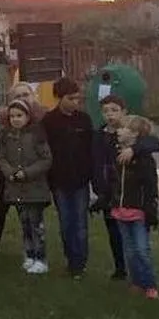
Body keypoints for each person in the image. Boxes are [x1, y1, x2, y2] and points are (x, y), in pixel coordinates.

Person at [94, 115, 159, 299]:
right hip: (120, 210)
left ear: (134, 134)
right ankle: (137, 281)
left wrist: (151, 210)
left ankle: (150, 284)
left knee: (142, 250)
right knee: (130, 251)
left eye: (123, 128)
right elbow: (113, 182)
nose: (118, 131)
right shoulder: (117, 152)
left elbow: (150, 187)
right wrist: (105, 199)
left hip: (138, 211)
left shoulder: (144, 159)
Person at [41, 77, 94, 279]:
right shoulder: (49, 121)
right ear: (59, 97)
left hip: (80, 180)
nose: (75, 102)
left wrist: (90, 174)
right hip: (59, 181)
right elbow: (45, 151)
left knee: (80, 222)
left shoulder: (84, 120)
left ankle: (80, 263)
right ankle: (70, 258)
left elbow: (90, 149)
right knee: (65, 222)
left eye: (77, 98)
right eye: (70, 98)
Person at [0, 99, 52, 274]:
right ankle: (29, 254)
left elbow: (46, 160)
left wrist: (27, 172)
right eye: (12, 116)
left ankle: (41, 258)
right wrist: (9, 172)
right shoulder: (6, 136)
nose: (15, 119)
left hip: (34, 188)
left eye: (19, 115)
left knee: (36, 224)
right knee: (24, 223)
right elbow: (1, 158)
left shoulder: (37, 135)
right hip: (16, 187)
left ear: (28, 116)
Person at [0, 82, 46, 252]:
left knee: (30, 215)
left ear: (33, 96)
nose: (22, 98)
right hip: (8, 173)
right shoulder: (4, 118)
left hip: (33, 174)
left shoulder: (43, 116)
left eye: (25, 95)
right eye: (17, 96)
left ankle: (34, 251)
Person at [91, 94, 130, 280]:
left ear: (124, 112)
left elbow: (152, 143)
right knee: (113, 230)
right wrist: (98, 187)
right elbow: (95, 162)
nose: (110, 114)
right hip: (105, 191)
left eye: (114, 110)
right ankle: (120, 268)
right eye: (106, 111)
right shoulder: (99, 135)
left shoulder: (128, 135)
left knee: (128, 231)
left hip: (125, 191)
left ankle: (135, 267)